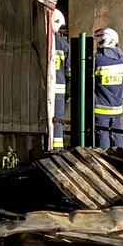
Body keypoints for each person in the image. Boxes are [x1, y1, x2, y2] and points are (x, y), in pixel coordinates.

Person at [93, 28, 123, 149]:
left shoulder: (98, 59)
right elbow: (122, 82)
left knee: (102, 132)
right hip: (117, 106)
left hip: (101, 107)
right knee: (117, 132)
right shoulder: (120, 60)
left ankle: (105, 159)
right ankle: (121, 157)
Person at [51, 9, 70, 150]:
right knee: (57, 120)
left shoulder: (41, 41)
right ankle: (57, 149)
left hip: (44, 88)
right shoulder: (63, 45)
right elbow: (69, 71)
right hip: (59, 90)